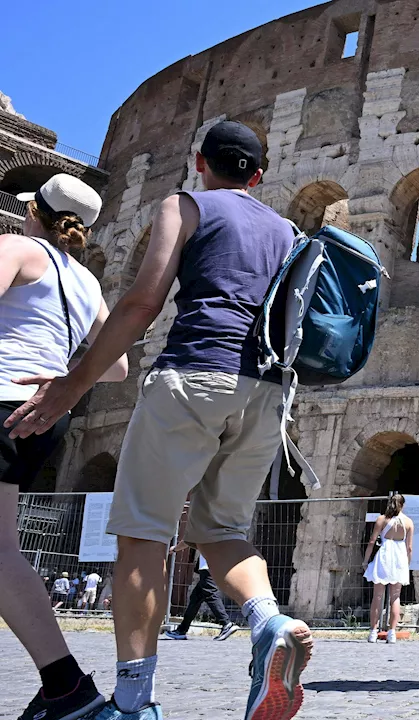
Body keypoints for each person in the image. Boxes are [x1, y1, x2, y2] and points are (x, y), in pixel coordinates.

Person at [5, 121, 311, 720]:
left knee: (144, 533)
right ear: (258, 175)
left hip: (194, 375)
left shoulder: (186, 204)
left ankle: (133, 700)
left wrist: (71, 386)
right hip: (266, 394)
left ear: (200, 162)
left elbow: (143, 303)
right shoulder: (288, 229)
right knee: (222, 530)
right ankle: (268, 621)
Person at [1, 173, 127, 720]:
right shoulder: (87, 285)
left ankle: (67, 684)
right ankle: (62, 685)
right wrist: (63, 377)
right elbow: (118, 366)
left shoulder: (18, 247)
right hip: (44, 414)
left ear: (33, 211)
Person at [362, 493, 414, 644]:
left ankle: (373, 631)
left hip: (384, 555)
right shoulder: (409, 522)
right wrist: (407, 564)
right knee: (395, 597)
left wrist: (366, 560)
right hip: (399, 558)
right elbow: (409, 548)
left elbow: (372, 541)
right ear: (403, 505)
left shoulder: (382, 519)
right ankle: (391, 632)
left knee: (377, 596)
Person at [164, 551, 239, 641]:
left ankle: (226, 623)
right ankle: (182, 630)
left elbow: (190, 539)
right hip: (213, 563)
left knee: (210, 593)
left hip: (208, 564)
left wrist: (175, 548)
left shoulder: (207, 536)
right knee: (196, 597)